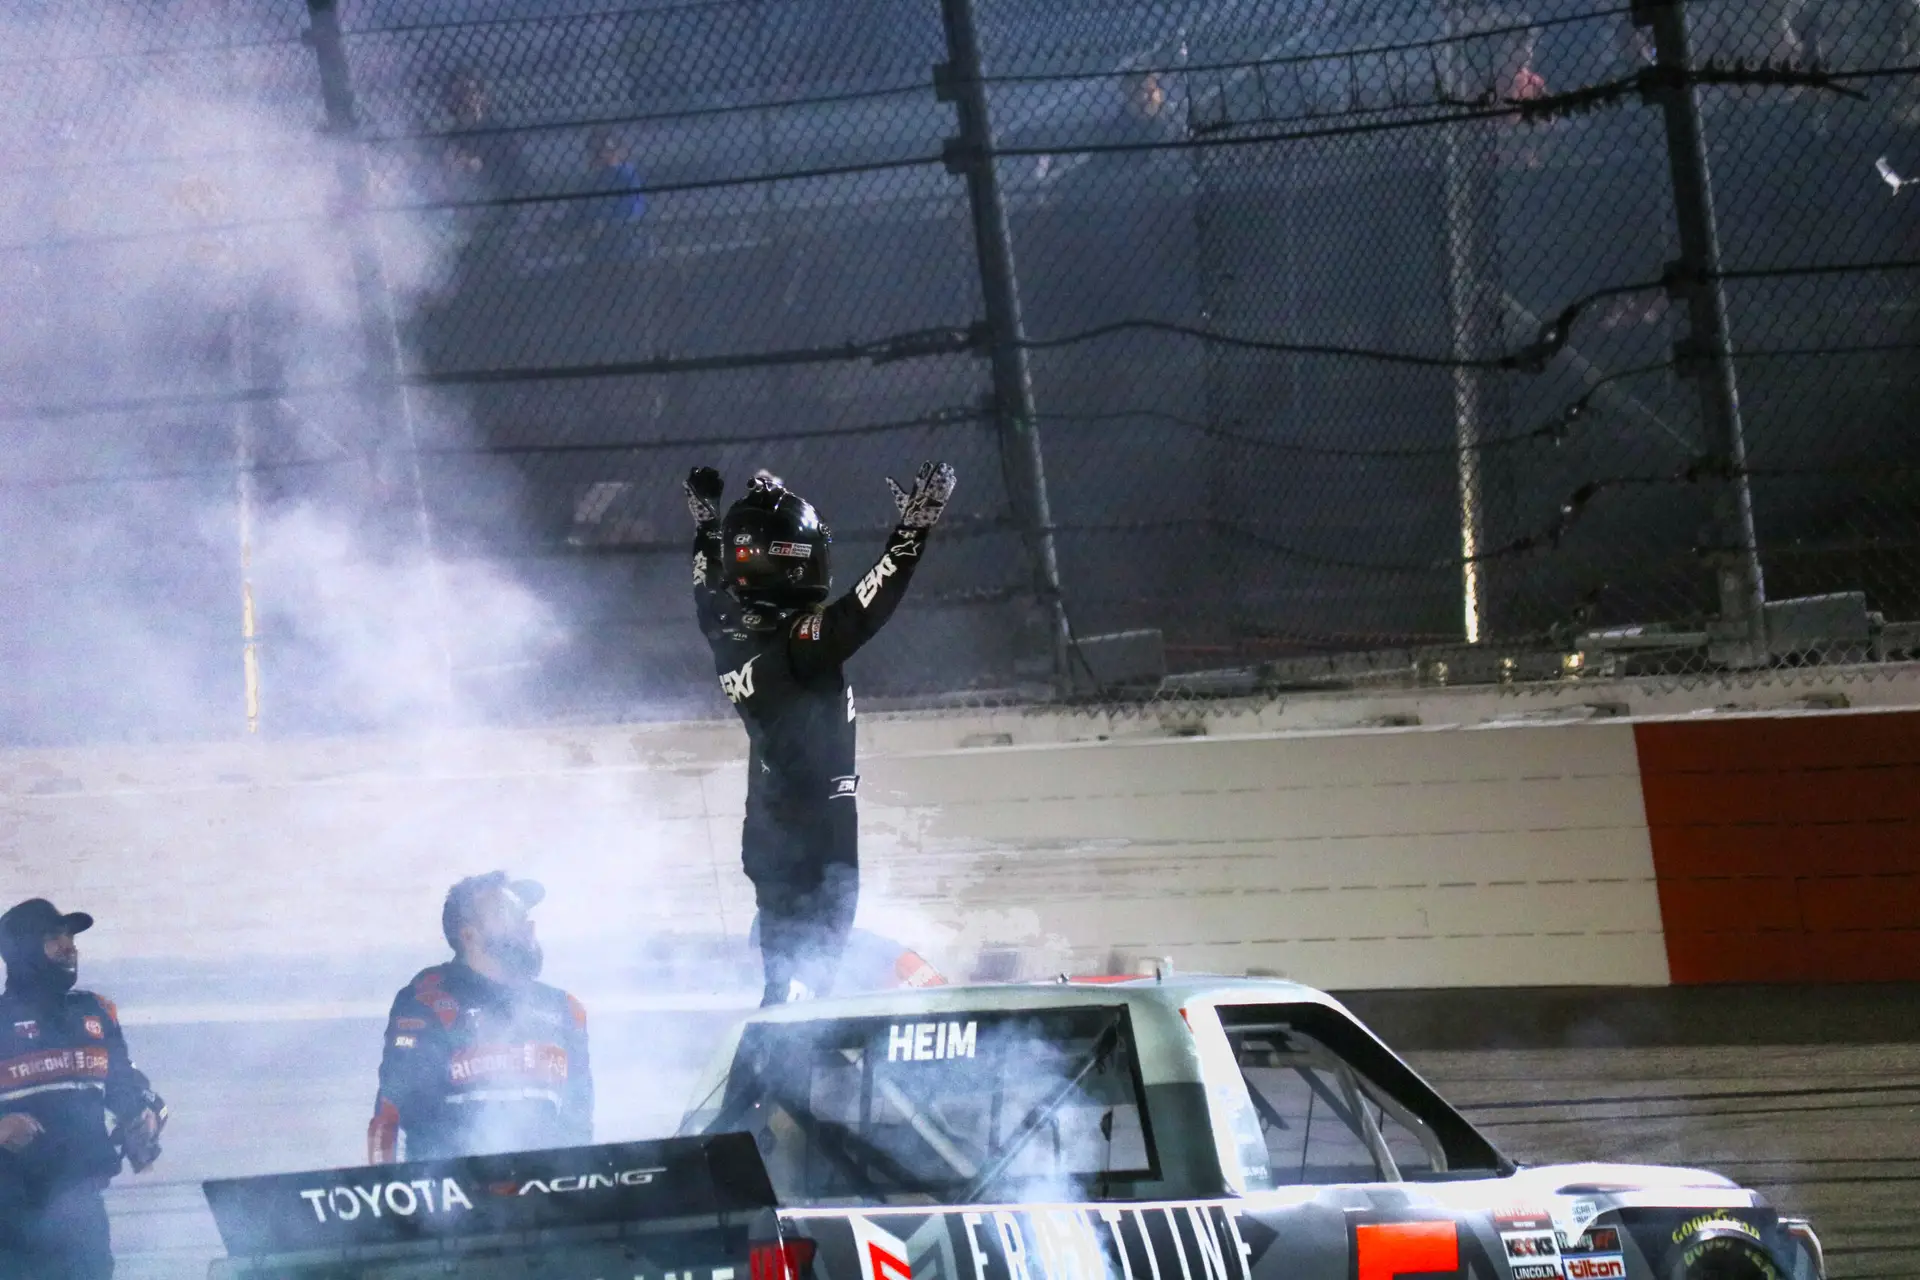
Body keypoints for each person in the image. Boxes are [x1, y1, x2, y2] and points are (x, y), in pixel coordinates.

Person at [685, 462, 957, 1006]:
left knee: (792, 990)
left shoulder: (724, 627)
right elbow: (862, 611)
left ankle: (774, 1044)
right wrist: (912, 532)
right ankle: (767, 1059)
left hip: (774, 836)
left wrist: (710, 524)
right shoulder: (798, 647)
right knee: (798, 1006)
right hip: (814, 846)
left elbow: (706, 578)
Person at [367, 873, 591, 1163]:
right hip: (448, 1185)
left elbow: (579, 1127)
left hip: (544, 1187)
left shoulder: (565, 1010)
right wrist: (384, 1184)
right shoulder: (427, 1002)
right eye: (505, 912)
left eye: (523, 914)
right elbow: (390, 1113)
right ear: (469, 936)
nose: (526, 925)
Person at [0, 899, 166, 1280]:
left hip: (82, 1216)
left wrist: (145, 1119)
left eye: (70, 937)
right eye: (53, 937)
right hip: (9, 1224)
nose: (69, 947)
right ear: (23, 949)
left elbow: (130, 1089)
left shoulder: (96, 1012)